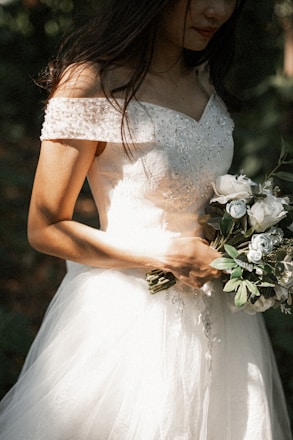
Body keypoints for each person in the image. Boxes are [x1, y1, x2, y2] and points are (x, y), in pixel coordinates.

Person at [0, 0, 291, 438]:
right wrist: (166, 255)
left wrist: (238, 231)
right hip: (128, 316)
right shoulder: (90, 83)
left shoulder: (203, 75)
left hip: (222, 317)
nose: (218, 12)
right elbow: (45, 227)